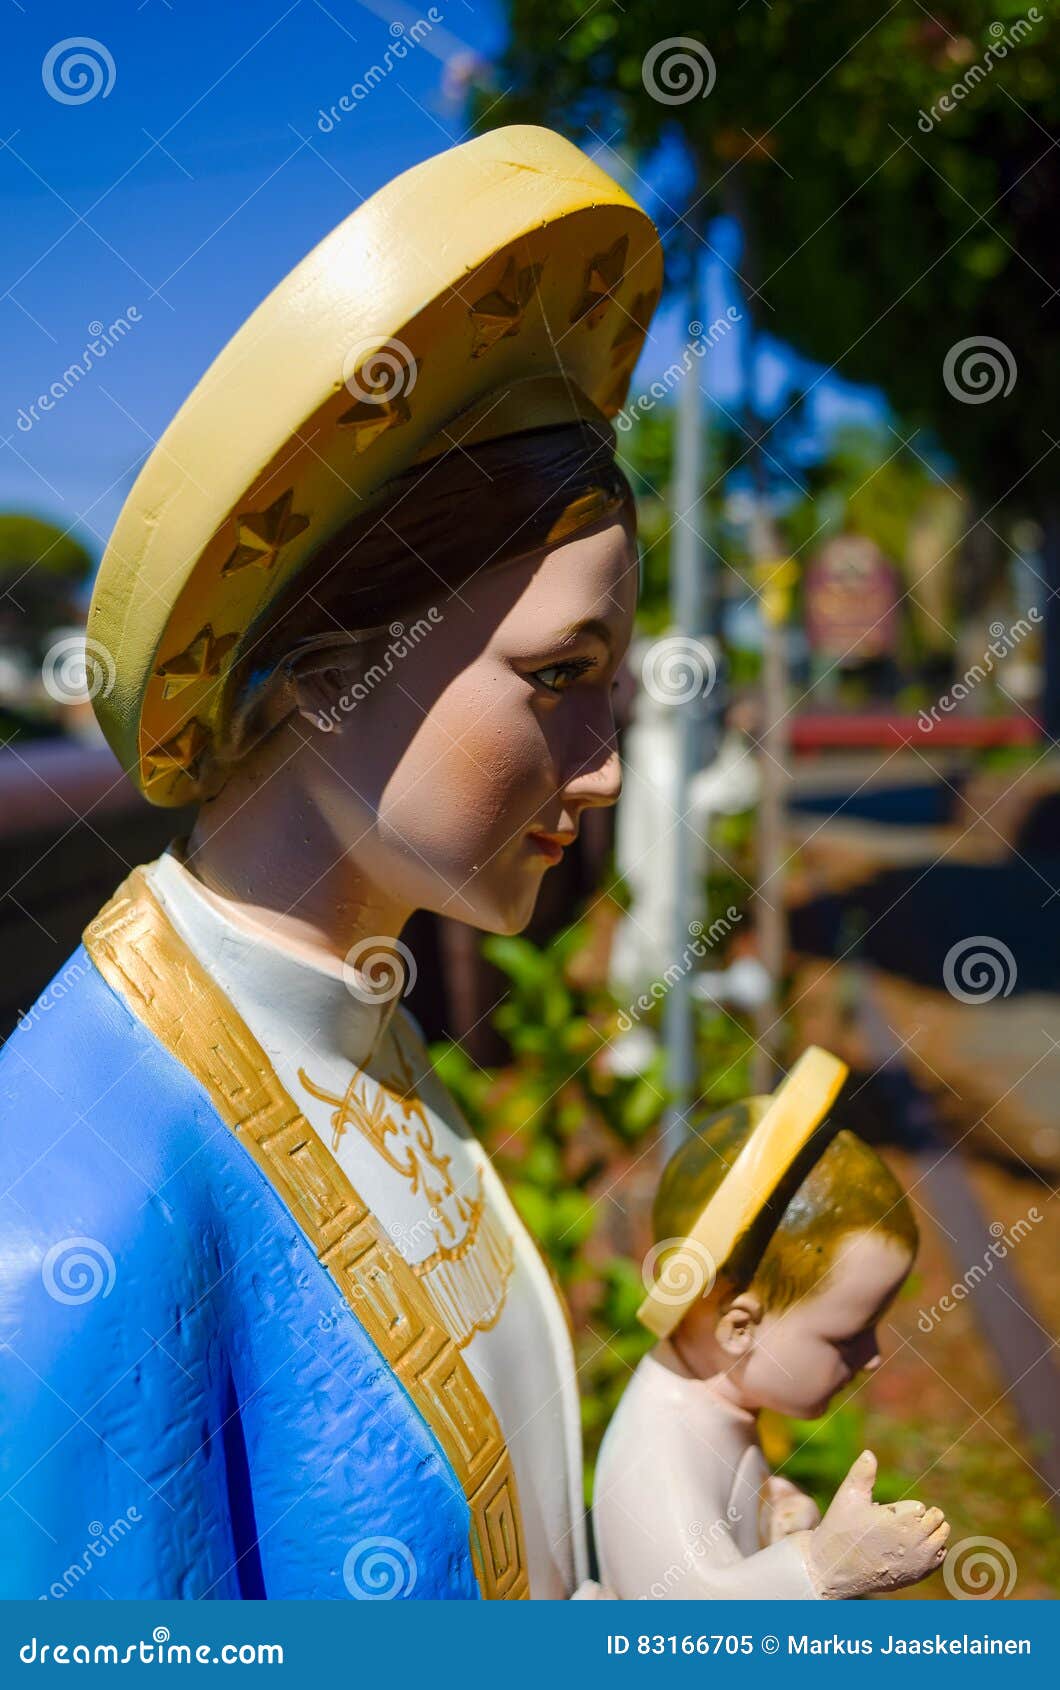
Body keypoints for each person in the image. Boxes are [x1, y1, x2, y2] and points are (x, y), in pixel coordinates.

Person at [0, 126, 662, 1600]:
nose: (608, 759)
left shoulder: (355, 1017)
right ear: (317, 673)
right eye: (560, 675)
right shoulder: (69, 1217)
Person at [593, 1052, 950, 1600]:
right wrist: (823, 1570)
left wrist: (777, 1512)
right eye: (846, 1336)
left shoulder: (715, 1404)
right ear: (740, 1327)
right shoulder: (655, 1459)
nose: (872, 1355)